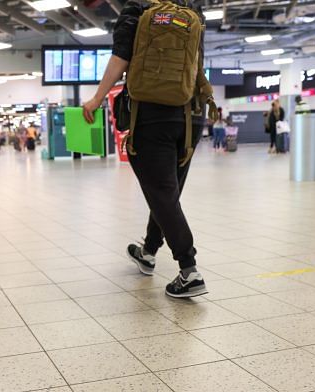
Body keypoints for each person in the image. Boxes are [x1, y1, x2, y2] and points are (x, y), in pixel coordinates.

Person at [82, 0, 210, 298]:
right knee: (167, 192)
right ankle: (148, 251)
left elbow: (121, 57)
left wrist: (97, 97)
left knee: (162, 193)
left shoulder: (137, 8)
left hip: (152, 115)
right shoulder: (193, 9)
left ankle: (189, 270)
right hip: (192, 112)